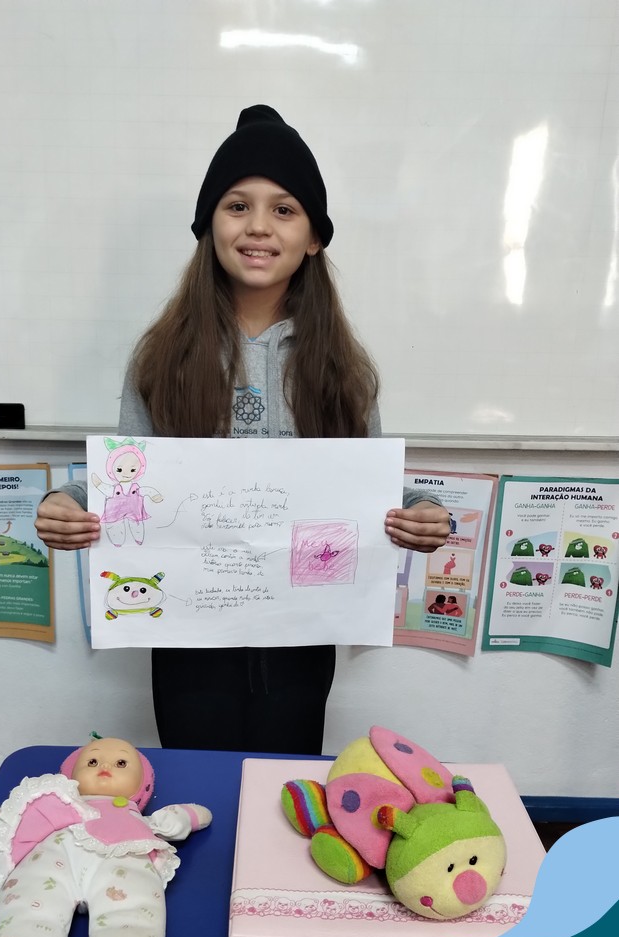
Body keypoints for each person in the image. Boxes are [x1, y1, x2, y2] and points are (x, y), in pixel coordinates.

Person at [35, 105, 450, 755]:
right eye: (237, 206)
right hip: (188, 636)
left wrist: (423, 511)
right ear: (209, 227)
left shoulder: (341, 368)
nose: (258, 226)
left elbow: (378, 491)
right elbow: (125, 479)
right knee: (199, 777)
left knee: (282, 779)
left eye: (283, 209)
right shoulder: (162, 358)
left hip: (302, 634)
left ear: (314, 237)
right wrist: (69, 503)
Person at [0, 735, 211, 937]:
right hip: (53, 858)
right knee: (30, 899)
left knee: (132, 905)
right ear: (70, 775)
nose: (104, 766)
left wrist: (183, 817)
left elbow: (181, 817)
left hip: (122, 858)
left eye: (121, 763)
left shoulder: (135, 820)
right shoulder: (54, 804)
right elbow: (14, 814)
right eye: (92, 761)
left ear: (143, 784)